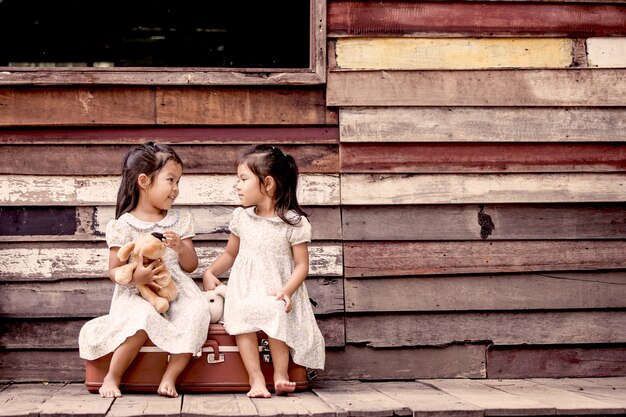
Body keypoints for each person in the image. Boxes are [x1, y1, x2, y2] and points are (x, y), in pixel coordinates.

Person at [79, 142, 210, 398]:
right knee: (141, 318)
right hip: (135, 294)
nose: (175, 190)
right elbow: (114, 270)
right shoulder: (123, 224)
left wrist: (181, 249)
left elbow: (191, 266)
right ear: (144, 181)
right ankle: (112, 377)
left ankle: (170, 377)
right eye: (170, 180)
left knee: (198, 311)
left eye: (178, 182)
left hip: (176, 291)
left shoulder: (180, 221)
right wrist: (135, 277)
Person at [202, 144, 325, 398]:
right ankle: (255, 378)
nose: (237, 185)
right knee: (243, 319)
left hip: (275, 290)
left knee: (275, 312)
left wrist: (287, 291)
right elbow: (230, 254)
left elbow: (302, 264)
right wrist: (210, 271)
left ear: (267, 184)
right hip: (245, 290)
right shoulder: (242, 218)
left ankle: (280, 375)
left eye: (243, 179)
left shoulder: (293, 222)